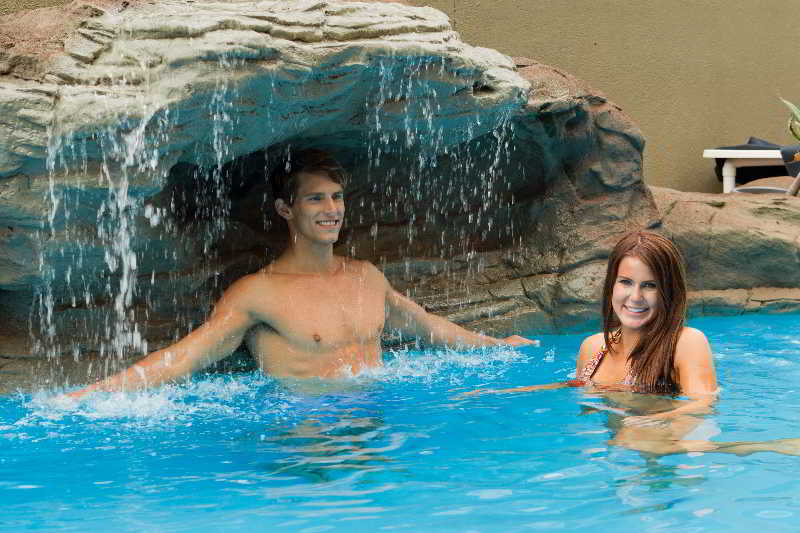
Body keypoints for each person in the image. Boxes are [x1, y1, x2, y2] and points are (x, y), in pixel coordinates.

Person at [70, 149, 534, 396]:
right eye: (315, 199)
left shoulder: (367, 277)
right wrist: (94, 394)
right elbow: (186, 357)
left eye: (337, 197)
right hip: (306, 435)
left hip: (378, 421)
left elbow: (427, 326)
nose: (332, 210)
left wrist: (497, 346)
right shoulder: (257, 292)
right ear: (284, 209)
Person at [466, 231, 800, 456]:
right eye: (626, 282)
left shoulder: (686, 342)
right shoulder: (592, 347)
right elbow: (578, 387)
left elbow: (703, 403)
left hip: (671, 439)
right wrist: (508, 393)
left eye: (650, 286)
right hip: (620, 443)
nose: (635, 296)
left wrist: (655, 422)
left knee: (638, 443)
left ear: (668, 292)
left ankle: (766, 447)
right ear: (611, 284)